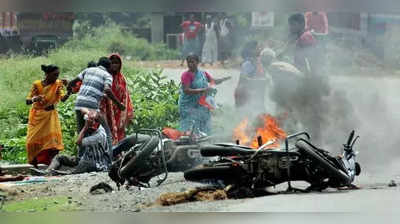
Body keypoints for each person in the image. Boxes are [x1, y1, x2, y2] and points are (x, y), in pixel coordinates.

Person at [30, 109, 112, 175]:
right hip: (85, 159)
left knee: (86, 163)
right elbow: (83, 110)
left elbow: (78, 142)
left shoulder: (100, 135)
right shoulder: (92, 123)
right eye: (88, 121)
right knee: (59, 157)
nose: (89, 123)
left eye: (92, 121)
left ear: (97, 123)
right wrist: (88, 116)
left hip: (98, 164)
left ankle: (69, 173)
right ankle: (48, 171)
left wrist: (85, 127)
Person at [26, 65, 71, 166]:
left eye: (58, 75)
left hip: (51, 116)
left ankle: (50, 164)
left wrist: (69, 90)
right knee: (31, 141)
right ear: (47, 74)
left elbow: (63, 98)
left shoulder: (57, 84)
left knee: (53, 143)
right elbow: (27, 101)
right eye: (54, 75)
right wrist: (35, 99)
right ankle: (35, 163)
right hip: (37, 116)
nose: (56, 77)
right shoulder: (37, 85)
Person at [67, 57, 126, 134]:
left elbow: (72, 82)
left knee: (81, 131)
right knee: (106, 130)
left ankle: (83, 145)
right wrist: (118, 104)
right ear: (108, 67)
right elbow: (107, 89)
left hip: (79, 104)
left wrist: (68, 89)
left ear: (98, 64)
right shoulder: (107, 75)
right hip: (92, 107)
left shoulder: (87, 70)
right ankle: (109, 146)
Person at [100, 54, 134, 145]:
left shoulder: (121, 79)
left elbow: (126, 96)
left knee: (119, 133)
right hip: (106, 109)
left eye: (117, 63)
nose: (114, 65)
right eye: (112, 63)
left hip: (119, 112)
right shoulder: (105, 76)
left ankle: (118, 153)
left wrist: (128, 113)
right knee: (107, 132)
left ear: (120, 65)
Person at [178, 54, 216, 135]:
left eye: (192, 62)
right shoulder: (186, 75)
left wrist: (221, 80)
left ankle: (204, 141)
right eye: (188, 62)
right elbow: (186, 90)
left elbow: (212, 81)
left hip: (200, 104)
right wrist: (203, 90)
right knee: (189, 127)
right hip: (188, 106)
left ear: (198, 62)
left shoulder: (203, 73)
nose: (190, 64)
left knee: (204, 124)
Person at [234, 41, 266, 114]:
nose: (260, 49)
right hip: (245, 96)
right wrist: (261, 81)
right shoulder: (248, 63)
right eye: (258, 47)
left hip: (255, 96)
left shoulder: (258, 62)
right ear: (252, 50)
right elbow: (245, 79)